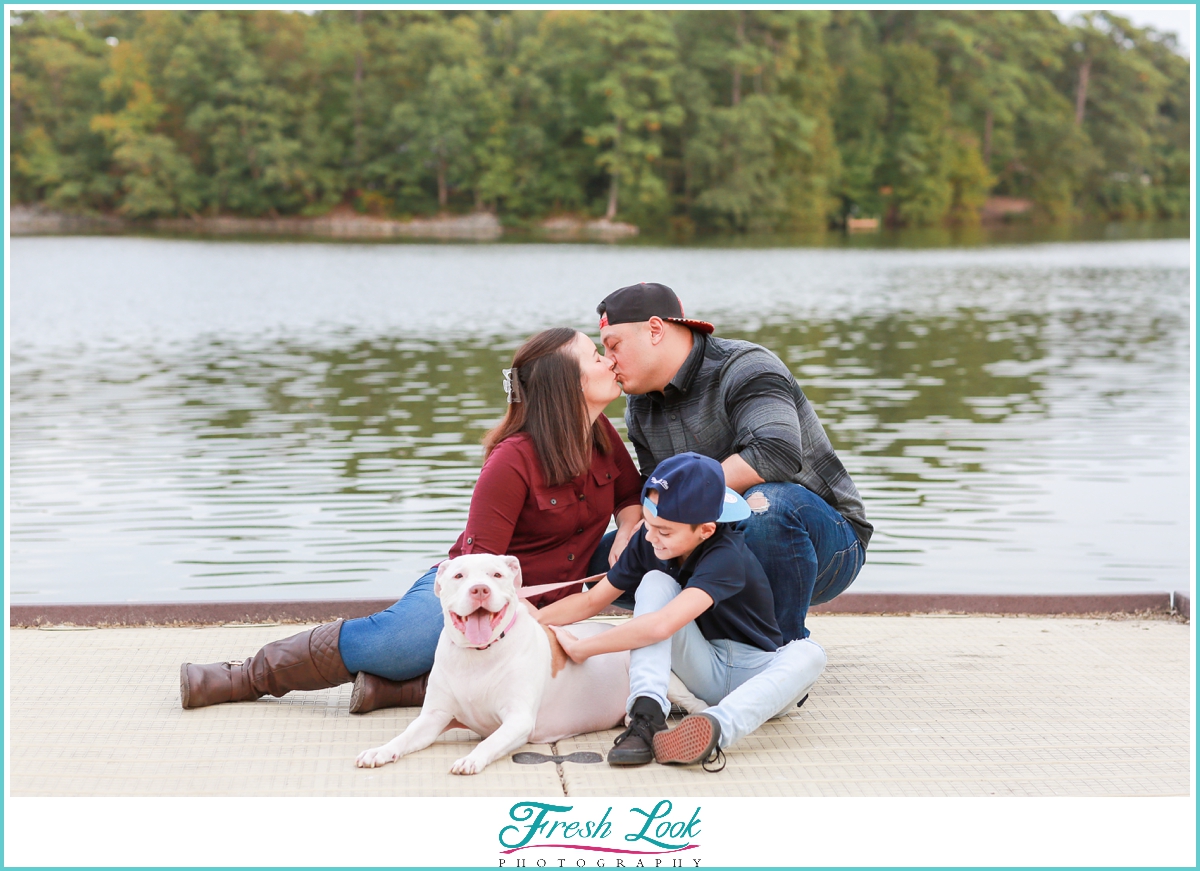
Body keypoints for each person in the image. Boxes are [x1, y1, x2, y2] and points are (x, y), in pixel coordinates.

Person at [180, 327, 644, 713]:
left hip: (561, 591)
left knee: (657, 553)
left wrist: (626, 529)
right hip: (483, 588)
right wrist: (523, 620)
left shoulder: (598, 431)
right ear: (567, 384)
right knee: (398, 648)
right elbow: (478, 564)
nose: (609, 361)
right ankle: (245, 676)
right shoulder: (512, 460)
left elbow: (628, 496)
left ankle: (404, 691)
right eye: (595, 356)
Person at [594, 282, 872, 643]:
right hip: (714, 540)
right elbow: (656, 485)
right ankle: (709, 640)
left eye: (614, 345)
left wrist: (683, 500)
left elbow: (778, 453)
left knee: (768, 506)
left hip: (824, 543)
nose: (609, 360)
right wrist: (636, 527)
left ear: (655, 330)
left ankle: (781, 655)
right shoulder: (640, 404)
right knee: (602, 557)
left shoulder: (745, 365)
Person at [539, 452, 826, 769]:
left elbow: (661, 627)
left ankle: (715, 728)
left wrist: (583, 648)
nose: (651, 537)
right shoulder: (649, 540)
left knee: (810, 653)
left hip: (753, 673)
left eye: (664, 532)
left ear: (705, 530)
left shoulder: (727, 556)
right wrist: (524, 620)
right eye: (649, 525)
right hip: (700, 665)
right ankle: (646, 717)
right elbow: (592, 601)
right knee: (654, 581)